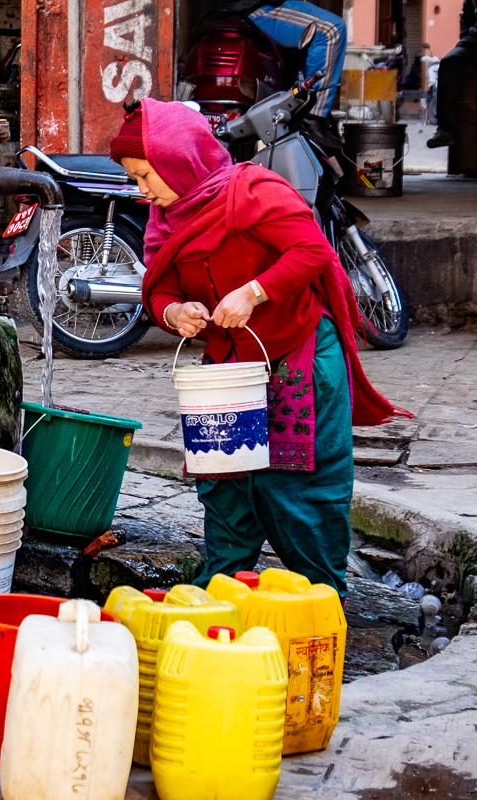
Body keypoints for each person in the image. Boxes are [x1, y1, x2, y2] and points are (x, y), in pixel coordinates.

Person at [109, 99, 408, 597]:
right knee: (226, 486)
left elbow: (312, 250)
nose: (143, 191)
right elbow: (158, 287)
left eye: (145, 176)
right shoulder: (168, 219)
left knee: (298, 491)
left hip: (299, 356)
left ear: (177, 161)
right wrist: (173, 312)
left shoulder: (255, 191)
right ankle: (220, 597)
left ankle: (320, 600)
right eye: (136, 179)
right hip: (228, 368)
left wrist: (253, 292)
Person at [247, 0, 347, 147]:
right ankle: (311, 117)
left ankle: (303, 110)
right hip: (254, 9)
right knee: (331, 30)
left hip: (249, 7)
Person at [428, 0, 477, 147]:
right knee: (448, 62)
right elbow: (464, 29)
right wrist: (472, 31)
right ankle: (445, 130)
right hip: (472, 43)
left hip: (473, 38)